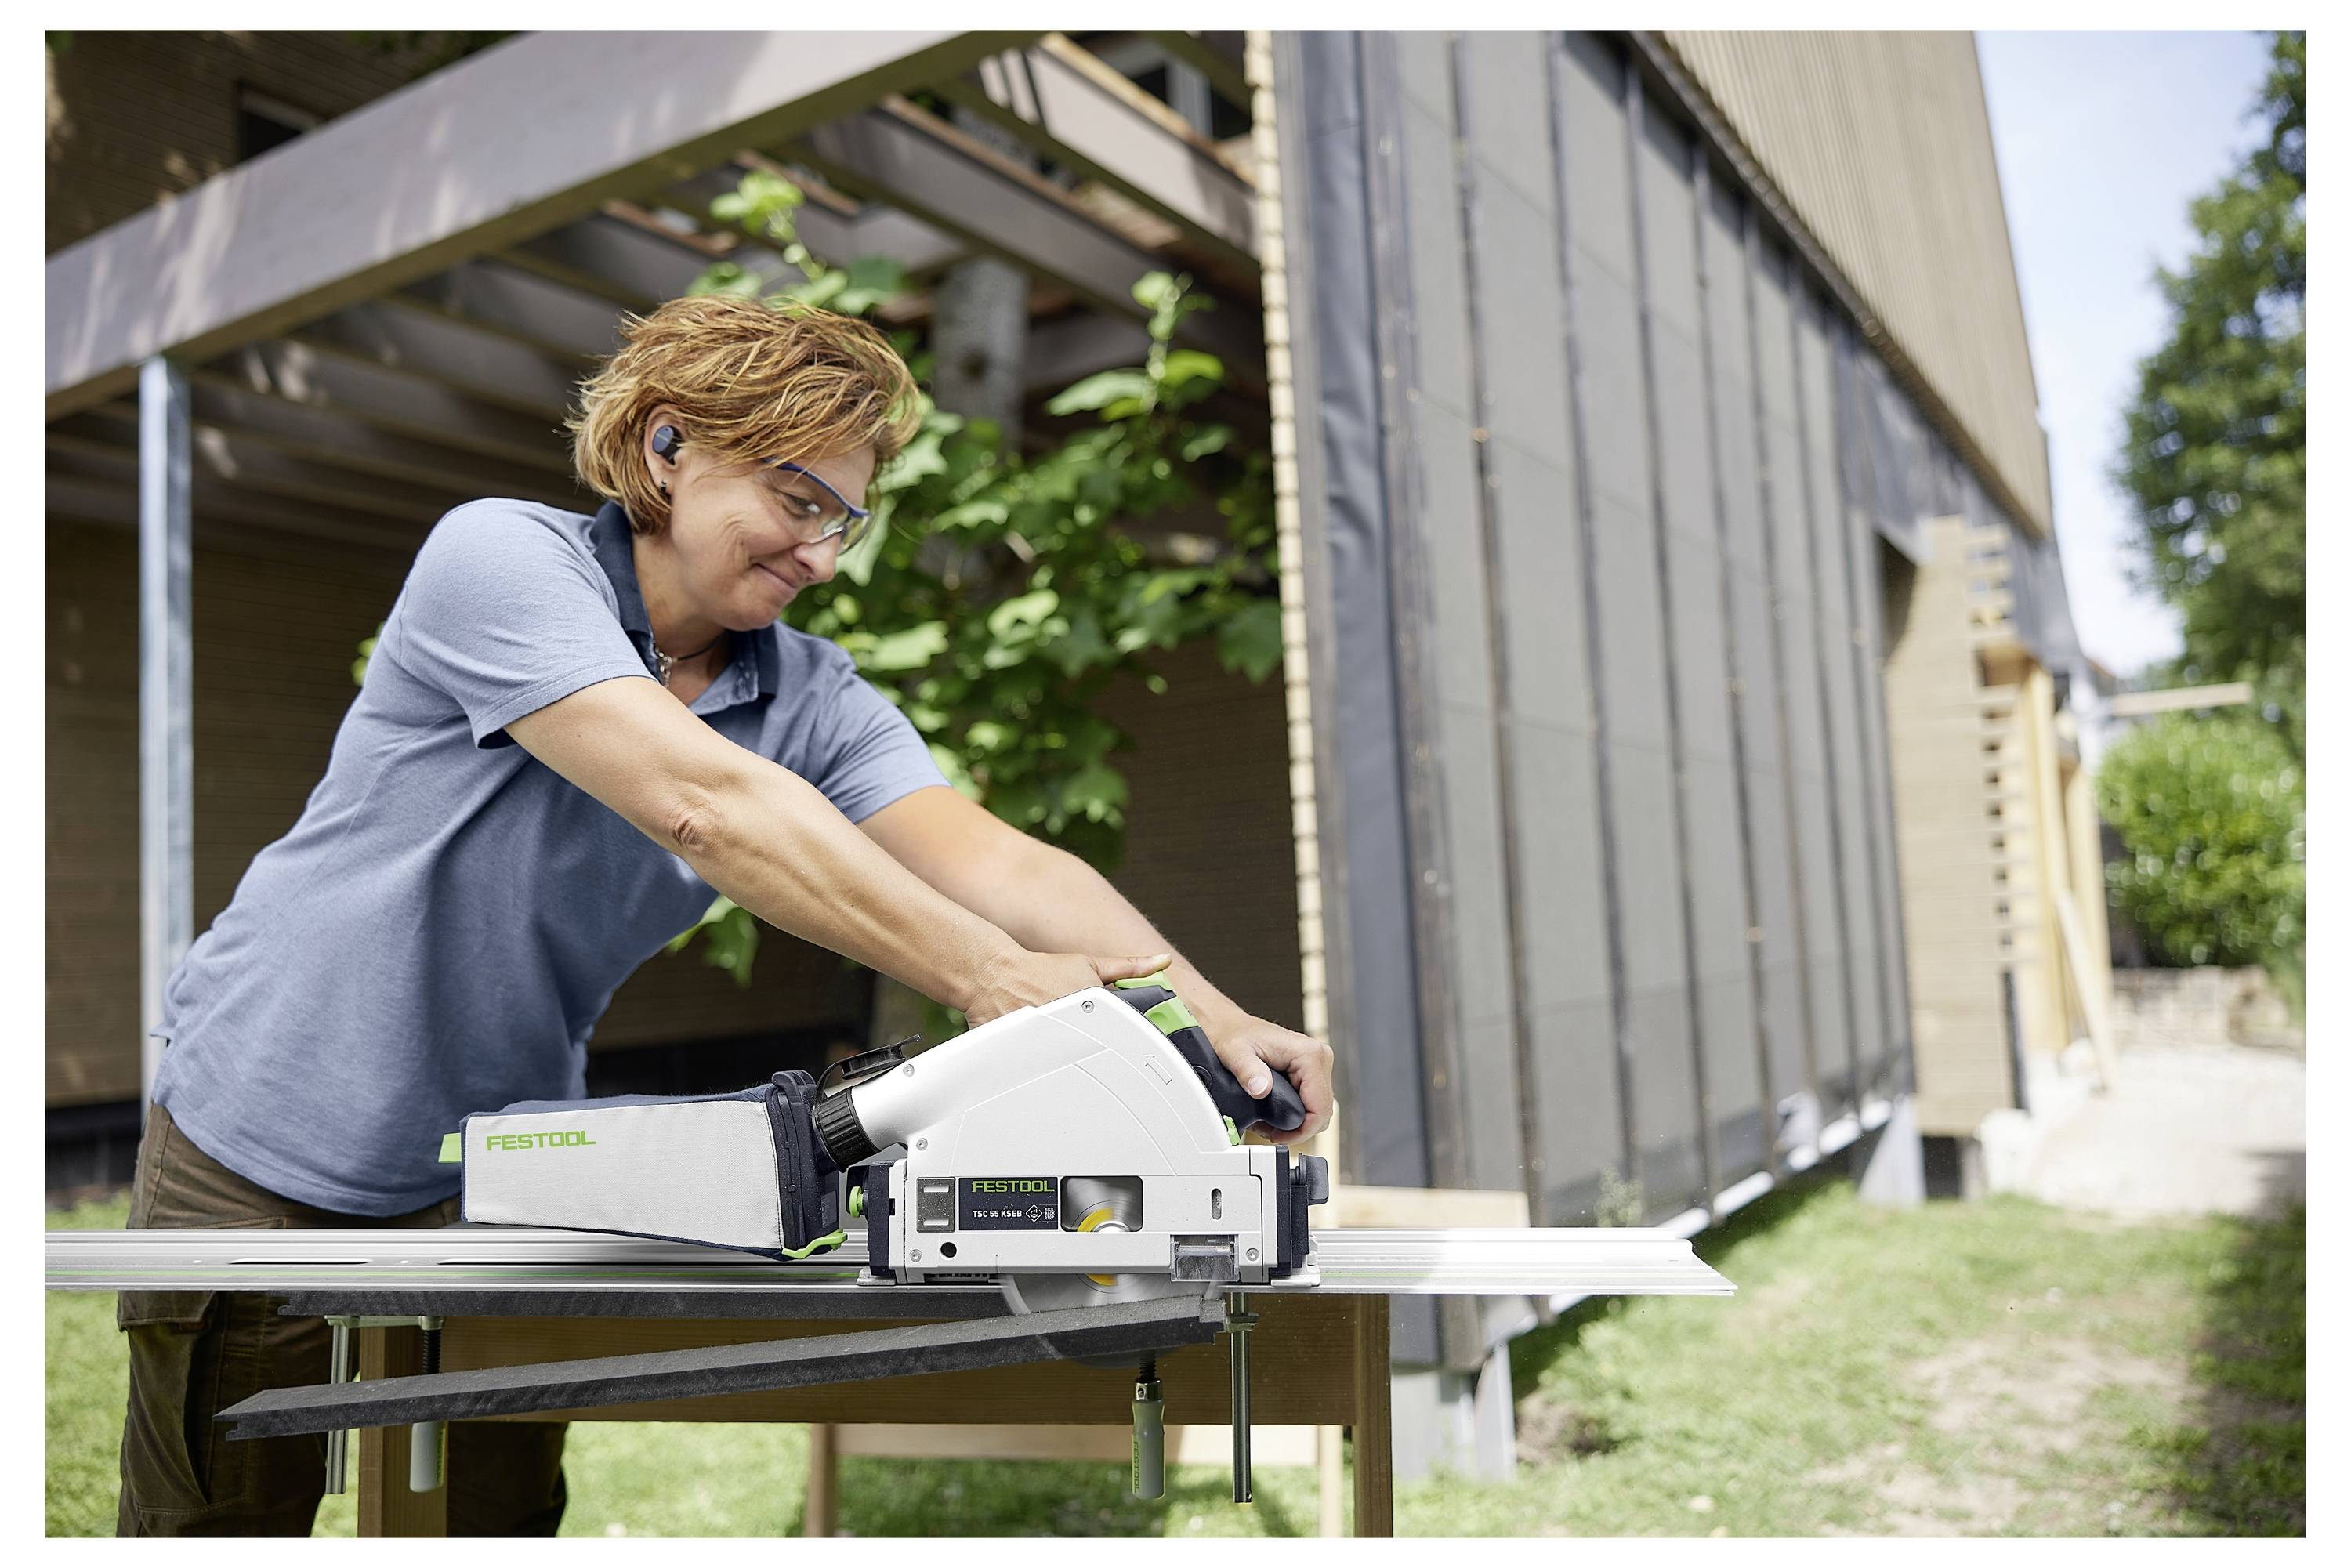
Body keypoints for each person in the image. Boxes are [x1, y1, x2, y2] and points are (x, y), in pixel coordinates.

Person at [117, 294, 1336, 1536]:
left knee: (485, 1524)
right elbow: (706, 805)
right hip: (265, 1132)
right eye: (797, 498)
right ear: (667, 447)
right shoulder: (501, 561)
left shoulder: (808, 694)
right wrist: (987, 977)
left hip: (490, 1160)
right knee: (218, 1534)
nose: (820, 552)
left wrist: (1214, 1020)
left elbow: (999, 861)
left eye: (843, 520)